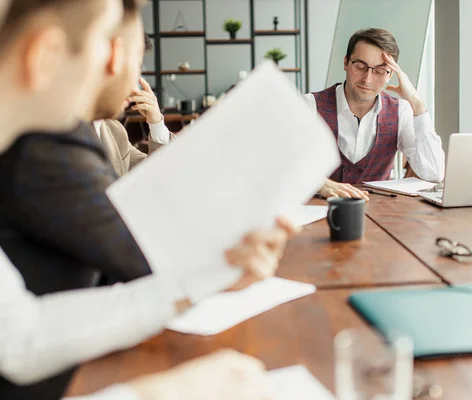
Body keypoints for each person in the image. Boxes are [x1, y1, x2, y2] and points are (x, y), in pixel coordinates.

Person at [0, 0, 295, 398]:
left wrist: (203, 279)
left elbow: (21, 338)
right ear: (45, 54)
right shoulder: (49, 149)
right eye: (107, 43)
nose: (117, 67)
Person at [305, 28, 445, 200]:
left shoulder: (400, 111)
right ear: (346, 63)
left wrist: (416, 103)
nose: (367, 79)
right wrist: (321, 183)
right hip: (320, 211)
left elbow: (433, 173)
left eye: (379, 71)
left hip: (380, 213)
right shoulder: (310, 106)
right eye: (360, 67)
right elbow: (281, 163)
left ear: (391, 75)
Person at [93, 34, 172, 177]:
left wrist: (156, 124)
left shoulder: (114, 130)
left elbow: (152, 175)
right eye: (133, 68)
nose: (134, 84)